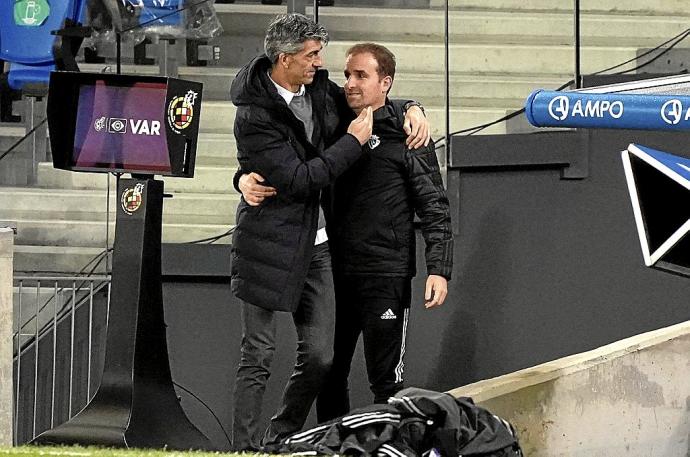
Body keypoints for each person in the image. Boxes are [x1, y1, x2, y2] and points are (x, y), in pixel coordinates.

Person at [229, 14, 429, 451]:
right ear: (285, 59)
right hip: (268, 243)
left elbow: (369, 99)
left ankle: (280, 437)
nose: (321, 63)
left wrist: (413, 106)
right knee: (258, 355)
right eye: (313, 55)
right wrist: (352, 144)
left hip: (317, 246)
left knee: (321, 357)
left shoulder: (319, 89)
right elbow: (300, 179)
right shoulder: (253, 114)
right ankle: (242, 449)